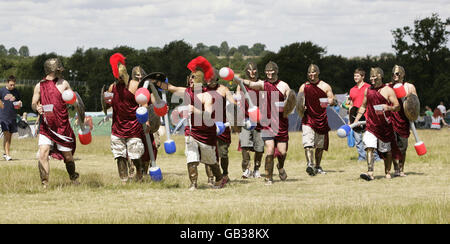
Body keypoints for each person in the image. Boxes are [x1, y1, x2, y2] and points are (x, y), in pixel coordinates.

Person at [167, 56, 227, 190]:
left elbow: (208, 116)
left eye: (193, 77)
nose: (190, 80)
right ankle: (193, 184)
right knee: (191, 158)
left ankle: (219, 178)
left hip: (206, 133)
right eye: (190, 77)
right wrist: (158, 82)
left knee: (211, 161)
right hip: (191, 131)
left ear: (199, 80)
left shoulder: (207, 96)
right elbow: (171, 88)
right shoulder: (186, 91)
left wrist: (195, 110)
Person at [238, 61, 293, 185]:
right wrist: (239, 79)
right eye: (267, 71)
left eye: (271, 70)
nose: (269, 73)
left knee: (282, 152)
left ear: (276, 71)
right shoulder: (263, 84)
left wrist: (287, 104)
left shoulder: (283, 85)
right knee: (270, 148)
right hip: (267, 123)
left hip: (281, 124)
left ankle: (280, 166)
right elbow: (252, 84)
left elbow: (291, 99)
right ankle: (268, 177)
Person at [107, 55, 157, 183]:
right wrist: (106, 100)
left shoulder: (134, 85)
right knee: (119, 155)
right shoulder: (112, 88)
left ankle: (139, 175)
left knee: (135, 155)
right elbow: (108, 104)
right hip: (117, 127)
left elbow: (144, 103)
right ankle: (124, 180)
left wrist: (146, 120)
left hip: (133, 126)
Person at [31, 58, 79, 188]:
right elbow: (33, 103)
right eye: (58, 69)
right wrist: (37, 108)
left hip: (62, 126)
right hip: (46, 125)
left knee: (68, 156)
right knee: (43, 153)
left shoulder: (64, 84)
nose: (60, 72)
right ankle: (45, 183)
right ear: (53, 70)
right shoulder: (39, 85)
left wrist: (76, 108)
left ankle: (73, 177)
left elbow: (74, 100)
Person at [352, 67, 401, 181]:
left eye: (375, 76)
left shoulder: (388, 90)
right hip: (371, 125)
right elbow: (363, 106)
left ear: (380, 76)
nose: (372, 79)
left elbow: (397, 106)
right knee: (369, 147)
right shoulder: (368, 90)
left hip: (385, 126)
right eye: (371, 76)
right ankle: (370, 173)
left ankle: (388, 172)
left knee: (387, 151)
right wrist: (356, 120)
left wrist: (388, 107)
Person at [298, 64, 336, 176]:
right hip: (308, 119)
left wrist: (329, 101)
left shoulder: (325, 86)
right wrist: (301, 106)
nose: (311, 75)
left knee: (319, 146)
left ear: (318, 73)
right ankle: (310, 164)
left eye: (314, 72)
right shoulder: (303, 87)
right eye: (309, 73)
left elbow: (332, 100)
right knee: (308, 143)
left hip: (321, 119)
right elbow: (299, 102)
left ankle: (317, 166)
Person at [204, 69, 236, 185]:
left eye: (211, 78)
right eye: (207, 78)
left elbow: (233, 104)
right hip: (207, 126)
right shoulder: (202, 90)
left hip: (222, 126)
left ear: (216, 78)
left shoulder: (223, 89)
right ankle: (211, 177)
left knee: (223, 153)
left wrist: (235, 113)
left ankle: (225, 174)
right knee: (208, 153)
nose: (209, 80)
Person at [388, 65, 418, 177]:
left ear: (402, 74)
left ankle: (401, 169)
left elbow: (415, 104)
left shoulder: (409, 87)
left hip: (404, 120)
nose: (395, 76)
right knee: (392, 146)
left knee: (403, 147)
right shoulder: (388, 86)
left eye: (397, 73)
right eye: (393, 74)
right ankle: (395, 169)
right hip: (391, 119)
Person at [236, 62, 264, 179]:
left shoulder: (261, 84)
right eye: (249, 70)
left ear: (257, 71)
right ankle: (247, 169)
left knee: (259, 147)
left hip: (259, 120)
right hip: (246, 120)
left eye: (254, 70)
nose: (252, 73)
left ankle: (256, 169)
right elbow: (238, 99)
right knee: (245, 145)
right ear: (246, 71)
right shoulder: (241, 84)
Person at [346, 68, 381, 162]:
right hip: (355, 117)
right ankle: (362, 157)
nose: (355, 77)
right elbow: (351, 105)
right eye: (354, 76)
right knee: (358, 139)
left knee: (370, 138)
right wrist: (350, 119)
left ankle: (376, 157)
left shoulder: (369, 87)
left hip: (368, 116)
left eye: (357, 76)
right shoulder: (352, 90)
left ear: (363, 77)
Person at [0, 75, 22, 161]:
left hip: (13, 116)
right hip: (3, 116)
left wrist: (19, 104)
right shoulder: (2, 90)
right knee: (6, 135)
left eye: (14, 85)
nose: (12, 86)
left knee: (9, 136)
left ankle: (5, 153)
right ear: (7, 83)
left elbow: (18, 103)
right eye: (11, 85)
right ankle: (8, 154)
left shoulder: (16, 91)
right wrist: (1, 106)